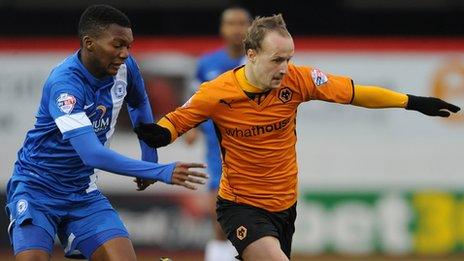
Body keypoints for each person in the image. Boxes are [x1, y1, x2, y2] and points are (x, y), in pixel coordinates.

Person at [134, 14, 461, 261]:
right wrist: (152, 137)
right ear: (250, 54)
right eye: (277, 59)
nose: (284, 67)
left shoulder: (299, 80)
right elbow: (172, 125)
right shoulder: (216, 93)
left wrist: (414, 102)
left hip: (285, 206)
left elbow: (356, 93)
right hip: (240, 205)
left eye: (288, 58)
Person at [5, 4, 207, 261]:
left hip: (82, 192)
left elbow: (138, 103)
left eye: (128, 46)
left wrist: (150, 156)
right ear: (89, 43)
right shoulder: (65, 86)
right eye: (117, 45)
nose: (124, 54)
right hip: (37, 189)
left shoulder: (125, 67)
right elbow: (92, 155)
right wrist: (162, 171)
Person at [183, 6, 251, 261]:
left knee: (253, 223)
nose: (237, 29)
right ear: (222, 29)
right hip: (218, 153)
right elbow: (195, 101)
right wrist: (191, 126)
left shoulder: (260, 64)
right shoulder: (207, 65)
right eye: (231, 23)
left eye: (243, 23)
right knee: (221, 221)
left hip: (255, 153)